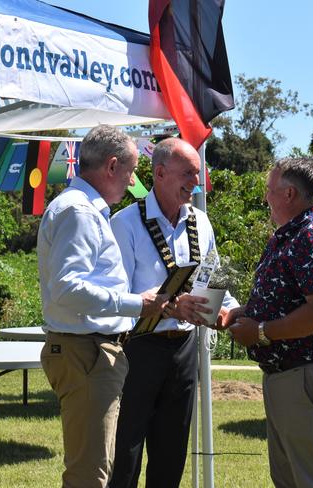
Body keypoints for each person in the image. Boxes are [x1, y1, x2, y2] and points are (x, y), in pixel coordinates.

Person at [37, 125, 168, 488]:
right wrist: (136, 304)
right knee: (89, 474)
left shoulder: (83, 209)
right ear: (112, 167)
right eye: (130, 171)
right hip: (87, 352)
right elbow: (67, 287)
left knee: (94, 468)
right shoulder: (79, 212)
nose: (132, 182)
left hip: (90, 351)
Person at [109, 137, 239, 488]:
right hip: (137, 348)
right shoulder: (125, 224)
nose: (195, 183)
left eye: (198, 175)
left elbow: (211, 282)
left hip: (183, 349)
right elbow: (117, 296)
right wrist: (170, 305)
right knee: (125, 451)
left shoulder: (201, 222)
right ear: (161, 172)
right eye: (188, 174)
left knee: (171, 453)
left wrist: (230, 312)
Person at [227, 157, 313, 488]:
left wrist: (262, 332)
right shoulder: (293, 235)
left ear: (289, 194)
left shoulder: (312, 234)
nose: (265, 197)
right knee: (290, 479)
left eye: (270, 190)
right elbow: (291, 298)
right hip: (290, 374)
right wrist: (248, 313)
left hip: (306, 373)